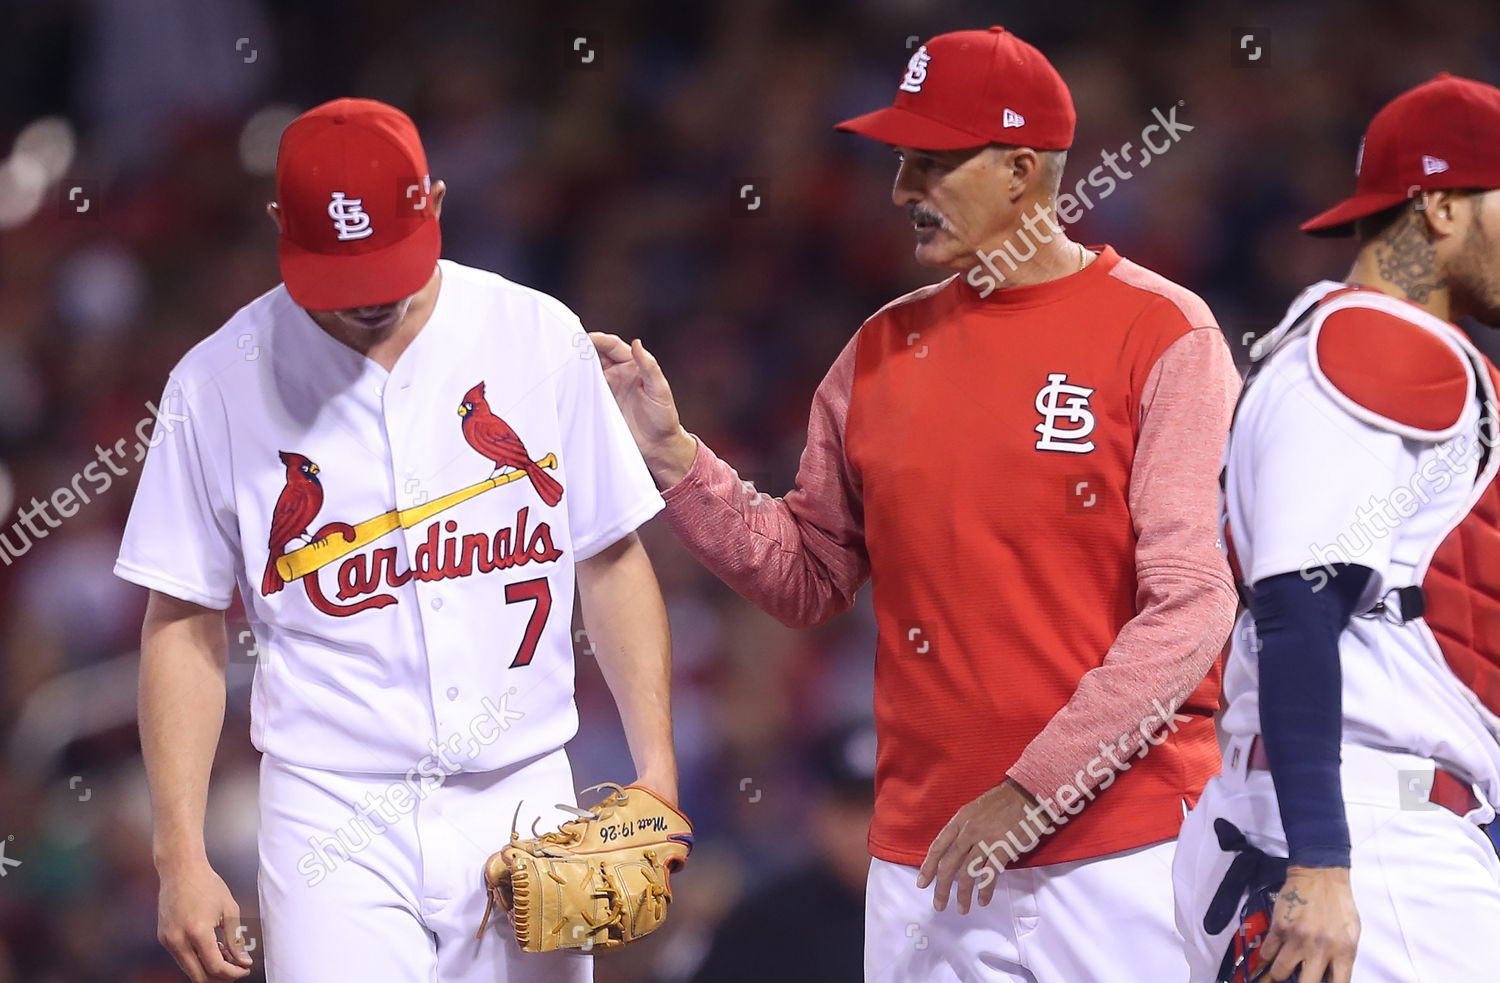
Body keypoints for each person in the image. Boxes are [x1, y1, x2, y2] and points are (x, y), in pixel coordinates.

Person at [592, 26, 1238, 982]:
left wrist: (1031, 790)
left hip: (1125, 849)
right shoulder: (881, 349)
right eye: (901, 162)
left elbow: (1190, 604)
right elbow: (809, 576)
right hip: (923, 857)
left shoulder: (1164, 332)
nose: (901, 191)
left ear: (1022, 170)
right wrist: (672, 455)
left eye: (932, 164)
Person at [115, 98, 678, 983]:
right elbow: (182, 618)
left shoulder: (535, 335)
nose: (372, 298)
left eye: (387, 264)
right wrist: (178, 852)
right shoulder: (216, 382)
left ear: (438, 203)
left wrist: (657, 768)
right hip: (331, 807)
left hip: (523, 787)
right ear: (278, 227)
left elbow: (608, 554)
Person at [1172, 73, 1500, 983]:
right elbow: (1299, 605)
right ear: (1440, 205)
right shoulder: (1375, 349)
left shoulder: (1369, 349)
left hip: (1358, 830)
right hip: (1360, 840)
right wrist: (1322, 859)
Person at [686, 722, 875, 983]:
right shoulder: (765, 923)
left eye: (880, 810)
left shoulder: (940, 909)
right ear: (818, 814)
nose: (868, 829)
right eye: (851, 811)